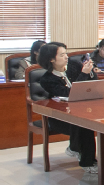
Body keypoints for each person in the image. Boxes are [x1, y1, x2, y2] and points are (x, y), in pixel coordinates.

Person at [37, 42, 98, 173]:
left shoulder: (74, 65)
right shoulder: (46, 80)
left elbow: (92, 84)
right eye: (62, 55)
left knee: (85, 121)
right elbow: (69, 94)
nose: (66, 57)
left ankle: (75, 148)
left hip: (81, 111)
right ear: (51, 59)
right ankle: (87, 161)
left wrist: (90, 71)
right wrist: (83, 74)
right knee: (84, 124)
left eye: (66, 53)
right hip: (60, 117)